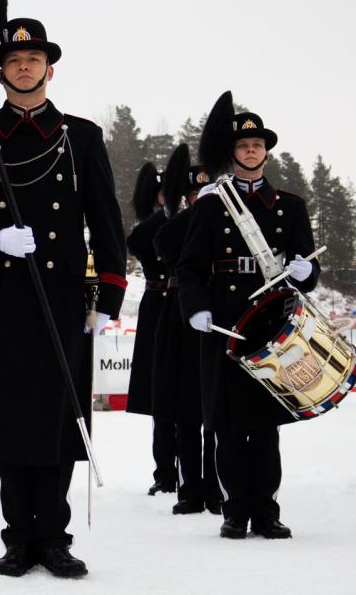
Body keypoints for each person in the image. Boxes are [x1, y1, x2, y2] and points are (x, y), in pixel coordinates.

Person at [0, 0, 127, 578]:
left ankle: (56, 538)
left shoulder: (82, 137)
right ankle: (18, 537)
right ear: (0, 69)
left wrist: (109, 295)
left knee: (57, 416)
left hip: (63, 295)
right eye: (14, 58)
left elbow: (106, 220)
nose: (24, 65)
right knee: (10, 418)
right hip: (2, 295)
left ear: (50, 67)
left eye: (34, 56)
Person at [177, 91, 319, 539]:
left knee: (266, 423)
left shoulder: (290, 205)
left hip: (268, 321)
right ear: (232, 152)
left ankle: (267, 508)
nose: (251, 150)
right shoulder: (211, 204)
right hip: (223, 319)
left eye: (257, 144)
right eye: (242, 145)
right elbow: (189, 267)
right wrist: (195, 308)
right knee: (227, 423)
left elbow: (307, 267)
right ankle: (235, 509)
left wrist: (307, 269)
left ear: (266, 151)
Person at [153, 144, 221, 515]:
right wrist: (195, 211)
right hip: (182, 317)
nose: (198, 199)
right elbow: (163, 244)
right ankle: (189, 487)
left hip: (217, 316)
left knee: (214, 409)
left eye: (203, 194)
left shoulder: (222, 219)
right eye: (192, 195)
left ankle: (215, 485)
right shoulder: (180, 225)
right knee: (185, 411)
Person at [123, 162, 177, 496]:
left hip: (183, 303)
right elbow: (136, 242)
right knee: (161, 397)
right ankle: (165, 472)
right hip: (157, 303)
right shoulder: (150, 229)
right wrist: (167, 214)